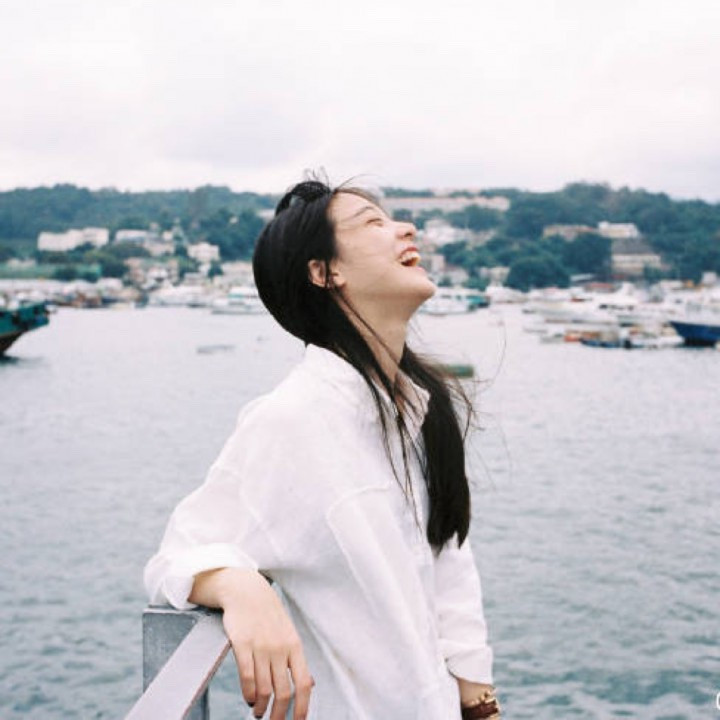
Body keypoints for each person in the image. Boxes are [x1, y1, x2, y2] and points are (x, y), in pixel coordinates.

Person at [144, 177, 500, 720]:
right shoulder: (294, 419)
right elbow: (177, 556)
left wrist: (478, 702)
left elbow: (448, 560)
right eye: (373, 223)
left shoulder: (416, 410)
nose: (406, 228)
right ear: (324, 272)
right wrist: (242, 589)